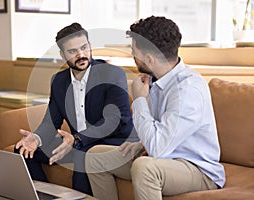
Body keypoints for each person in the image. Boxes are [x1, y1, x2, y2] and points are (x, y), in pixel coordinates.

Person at [85, 16, 226, 200]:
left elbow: (158, 148)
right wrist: (140, 144)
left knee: (144, 167)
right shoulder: (154, 80)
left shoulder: (187, 90)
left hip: (197, 169)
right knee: (94, 157)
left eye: (134, 52)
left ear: (149, 59)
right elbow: (160, 136)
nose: (133, 56)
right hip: (165, 158)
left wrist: (139, 101)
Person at [14, 22, 136, 195]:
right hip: (76, 143)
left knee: (83, 157)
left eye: (84, 47)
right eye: (72, 51)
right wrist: (37, 138)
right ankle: (43, 196)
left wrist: (77, 139)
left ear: (90, 46)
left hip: (110, 144)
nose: (81, 55)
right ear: (63, 55)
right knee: (24, 150)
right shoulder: (59, 81)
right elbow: (51, 121)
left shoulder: (112, 74)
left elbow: (113, 121)